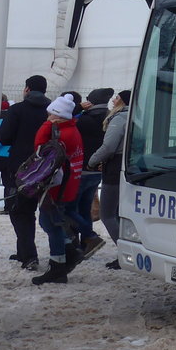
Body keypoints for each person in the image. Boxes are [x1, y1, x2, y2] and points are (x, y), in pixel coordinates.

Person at [31, 94, 93, 285]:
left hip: (58, 187)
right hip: (67, 184)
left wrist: (46, 126)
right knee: (53, 222)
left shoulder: (62, 134)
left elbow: (40, 149)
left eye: (50, 115)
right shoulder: (71, 130)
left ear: (57, 116)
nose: (47, 118)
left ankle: (59, 265)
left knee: (50, 223)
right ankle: (69, 253)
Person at [0, 74, 51, 271]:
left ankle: (29, 255)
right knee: (34, 210)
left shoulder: (17, 109)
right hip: (45, 168)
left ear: (27, 89)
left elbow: (4, 136)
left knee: (18, 211)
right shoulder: (51, 111)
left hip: (19, 168)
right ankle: (24, 251)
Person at [89, 89, 129, 269]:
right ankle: (129, 251)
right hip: (126, 168)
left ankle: (126, 252)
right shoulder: (136, 117)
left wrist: (93, 160)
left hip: (114, 170)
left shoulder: (119, 118)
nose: (114, 100)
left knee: (107, 214)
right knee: (120, 213)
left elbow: (109, 146)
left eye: (118, 97)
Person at [73, 87, 113, 250]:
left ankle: (86, 236)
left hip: (81, 168)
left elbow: (64, 119)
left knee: (72, 208)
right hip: (99, 169)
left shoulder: (84, 119)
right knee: (85, 207)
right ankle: (86, 241)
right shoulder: (110, 117)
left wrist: (78, 108)